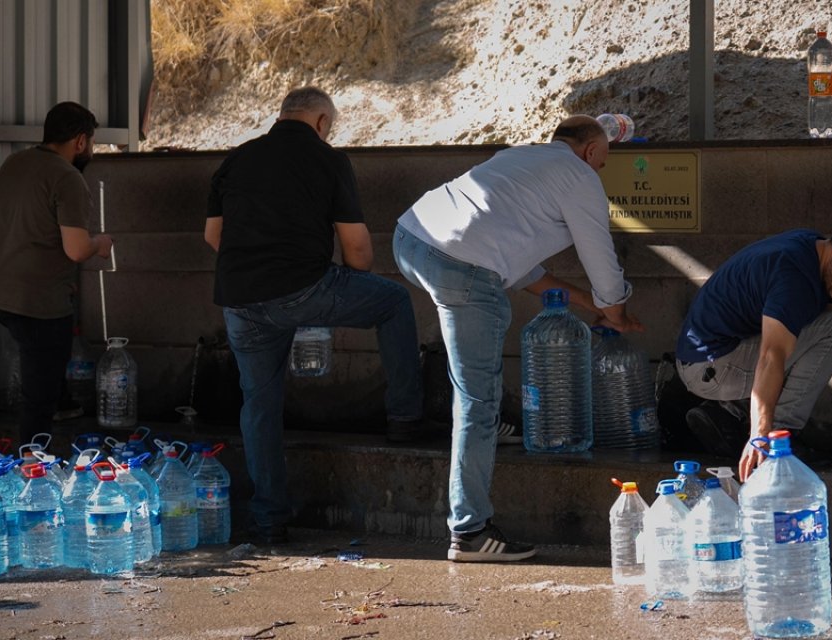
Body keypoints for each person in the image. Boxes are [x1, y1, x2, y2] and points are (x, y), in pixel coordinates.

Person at [394, 115, 644, 562]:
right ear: (589, 152)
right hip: (460, 266)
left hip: (410, 239)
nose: (600, 171)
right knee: (477, 399)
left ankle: (486, 427)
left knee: (474, 379)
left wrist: (591, 307)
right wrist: (616, 309)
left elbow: (522, 268)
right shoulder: (580, 176)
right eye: (602, 162)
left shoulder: (521, 159)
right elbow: (602, 261)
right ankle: (469, 532)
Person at [205, 87, 424, 543]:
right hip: (303, 287)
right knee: (393, 301)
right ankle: (405, 418)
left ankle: (268, 521)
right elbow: (359, 254)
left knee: (259, 404)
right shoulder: (329, 159)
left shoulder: (237, 158)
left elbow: (213, 237)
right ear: (322, 122)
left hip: (239, 299)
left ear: (282, 114)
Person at [674, 224, 832, 481]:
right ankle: (780, 439)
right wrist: (760, 435)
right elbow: (772, 355)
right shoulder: (795, 277)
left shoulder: (813, 249)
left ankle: (733, 414)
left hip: (710, 358)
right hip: (709, 366)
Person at [0, 102, 113, 443]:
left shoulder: (15, 163)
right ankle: (32, 467)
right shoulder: (67, 178)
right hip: (35, 303)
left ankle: (60, 398)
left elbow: (29, 229)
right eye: (92, 142)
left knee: (45, 365)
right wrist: (100, 243)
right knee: (38, 401)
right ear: (80, 141)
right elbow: (76, 249)